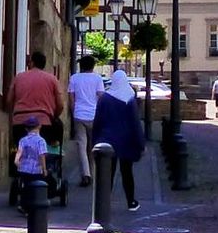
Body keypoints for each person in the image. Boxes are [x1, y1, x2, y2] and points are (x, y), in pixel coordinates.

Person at [8, 51, 63, 205]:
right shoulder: (51, 79)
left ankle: (21, 177)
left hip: (20, 122)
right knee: (42, 150)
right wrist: (53, 116)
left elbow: (9, 100)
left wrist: (15, 114)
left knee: (21, 149)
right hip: (43, 122)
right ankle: (45, 176)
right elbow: (60, 105)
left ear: (31, 62)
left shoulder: (19, 78)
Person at [96, 66, 146, 212]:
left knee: (107, 173)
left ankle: (104, 201)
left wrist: (95, 141)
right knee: (127, 172)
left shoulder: (105, 98)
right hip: (126, 140)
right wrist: (141, 144)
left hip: (107, 140)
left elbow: (98, 121)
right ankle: (131, 201)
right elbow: (135, 123)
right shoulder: (129, 98)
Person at [69, 54, 105, 186]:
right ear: (93, 66)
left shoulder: (74, 78)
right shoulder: (97, 78)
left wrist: (73, 112)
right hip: (94, 115)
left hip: (79, 115)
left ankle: (86, 174)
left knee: (81, 146)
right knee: (92, 146)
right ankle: (92, 172)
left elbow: (71, 98)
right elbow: (101, 96)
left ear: (81, 65)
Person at [13, 120, 48, 198]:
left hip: (24, 169)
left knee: (26, 184)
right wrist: (44, 169)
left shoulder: (23, 140)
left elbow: (19, 152)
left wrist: (16, 160)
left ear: (26, 129)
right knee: (37, 184)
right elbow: (42, 155)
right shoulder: (41, 140)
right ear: (39, 126)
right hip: (36, 170)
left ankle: (24, 200)